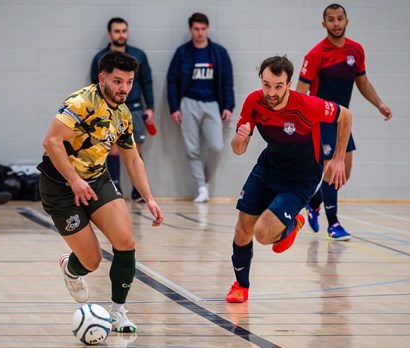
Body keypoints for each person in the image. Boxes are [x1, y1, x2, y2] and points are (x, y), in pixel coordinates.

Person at [37, 51, 163, 332]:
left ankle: (118, 312)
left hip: (96, 181)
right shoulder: (81, 102)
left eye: (129, 82)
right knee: (91, 261)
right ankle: (71, 268)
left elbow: (132, 159)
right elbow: (51, 142)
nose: (124, 88)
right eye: (118, 81)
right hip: (61, 187)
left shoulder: (124, 114)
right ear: (101, 78)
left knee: (126, 241)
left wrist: (150, 198)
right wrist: (73, 180)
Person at [226, 55, 352, 303]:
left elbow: (345, 116)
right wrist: (239, 139)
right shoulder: (254, 101)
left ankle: (293, 223)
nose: (271, 92)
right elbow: (237, 150)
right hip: (268, 169)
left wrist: (338, 158)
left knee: (263, 234)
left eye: (278, 86)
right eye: (266, 85)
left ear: (289, 84)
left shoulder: (307, 105)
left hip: (300, 179)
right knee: (242, 229)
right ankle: (241, 286)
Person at [296, 3, 392, 241]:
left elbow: (362, 83)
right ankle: (334, 224)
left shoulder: (356, 51)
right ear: (324, 24)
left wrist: (379, 104)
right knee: (332, 170)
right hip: (322, 120)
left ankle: (313, 202)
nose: (336, 23)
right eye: (331, 19)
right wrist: (299, 123)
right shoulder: (316, 54)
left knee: (343, 173)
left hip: (343, 121)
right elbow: (300, 92)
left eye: (340, 19)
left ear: (347, 21)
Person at [166, 12, 235, 203]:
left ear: (208, 28)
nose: (200, 33)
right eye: (196, 29)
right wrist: (174, 107)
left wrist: (228, 106)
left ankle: (204, 181)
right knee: (192, 149)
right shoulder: (182, 53)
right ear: (191, 29)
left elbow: (228, 81)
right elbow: (172, 81)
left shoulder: (219, 52)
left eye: (203, 29)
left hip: (213, 102)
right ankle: (201, 188)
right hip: (187, 102)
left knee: (216, 146)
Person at [90, 17, 155, 203]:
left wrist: (150, 107)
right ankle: (115, 187)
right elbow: (95, 83)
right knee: (112, 147)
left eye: (124, 31)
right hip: (108, 108)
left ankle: (138, 192)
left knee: (134, 147)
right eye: (117, 31)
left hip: (134, 107)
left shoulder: (139, 56)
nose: (121, 35)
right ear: (110, 34)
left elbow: (147, 83)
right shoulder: (100, 58)